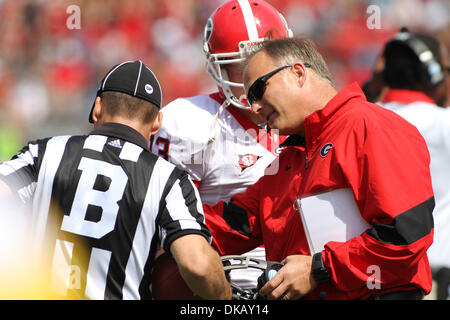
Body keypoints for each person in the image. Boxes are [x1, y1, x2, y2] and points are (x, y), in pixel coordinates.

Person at [204, 38, 435, 300]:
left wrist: (319, 269)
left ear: (298, 73)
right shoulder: (287, 159)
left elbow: (406, 238)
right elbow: (231, 224)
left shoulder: (369, 125)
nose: (254, 107)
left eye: (258, 90)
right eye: (249, 99)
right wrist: (169, 214)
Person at [0, 60, 231, 300]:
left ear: (97, 107)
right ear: (156, 122)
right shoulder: (169, 181)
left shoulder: (45, 152)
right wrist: (226, 296)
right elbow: (198, 264)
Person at [150, 0, 293, 289]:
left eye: (267, 64)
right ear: (219, 68)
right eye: (242, 67)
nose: (256, 79)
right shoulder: (188, 123)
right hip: (229, 286)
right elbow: (163, 231)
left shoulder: (309, 113)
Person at [372, 29, 450, 300]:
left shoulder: (362, 122)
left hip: (373, 279)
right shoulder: (443, 122)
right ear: (434, 73)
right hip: (433, 282)